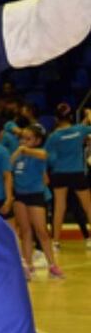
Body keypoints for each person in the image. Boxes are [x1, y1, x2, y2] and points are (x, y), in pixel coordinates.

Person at [12, 123, 63, 279]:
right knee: (25, 232)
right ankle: (28, 266)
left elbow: (44, 155)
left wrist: (25, 150)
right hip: (19, 197)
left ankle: (52, 265)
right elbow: (8, 165)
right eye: (22, 138)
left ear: (37, 141)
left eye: (28, 139)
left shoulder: (39, 154)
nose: (23, 142)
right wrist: (18, 151)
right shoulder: (18, 153)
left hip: (35, 196)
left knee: (41, 231)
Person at [45, 102, 91, 248]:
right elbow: (82, 129)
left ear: (56, 119)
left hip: (59, 173)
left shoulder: (53, 136)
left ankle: (55, 242)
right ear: (71, 117)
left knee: (59, 207)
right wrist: (89, 115)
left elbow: (47, 156)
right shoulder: (80, 130)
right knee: (88, 206)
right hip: (77, 173)